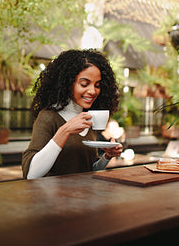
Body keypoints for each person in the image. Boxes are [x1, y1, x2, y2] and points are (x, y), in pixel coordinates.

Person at [22, 49, 123, 179]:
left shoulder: (88, 119)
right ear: (68, 83)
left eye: (97, 85)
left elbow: (88, 170)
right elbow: (31, 174)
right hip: (54, 198)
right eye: (84, 84)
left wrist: (107, 156)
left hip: (83, 197)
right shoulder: (49, 117)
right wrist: (65, 130)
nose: (92, 91)